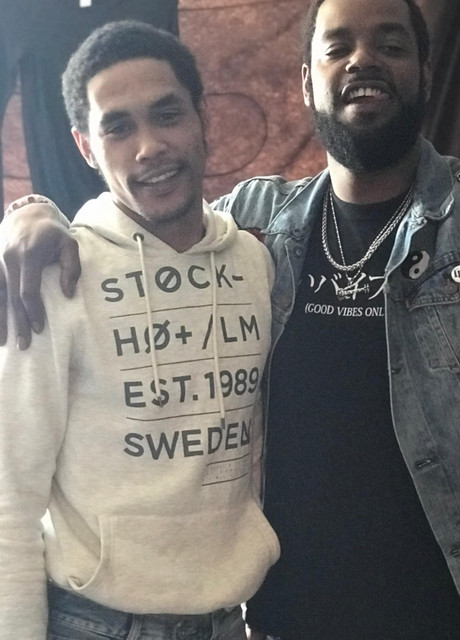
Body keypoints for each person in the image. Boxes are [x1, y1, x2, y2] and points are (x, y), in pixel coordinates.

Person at [2, 0, 460, 638]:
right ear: (307, 81)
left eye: (391, 44)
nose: (363, 59)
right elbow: (150, 222)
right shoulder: (259, 223)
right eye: (338, 47)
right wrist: (31, 211)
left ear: (425, 73)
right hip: (287, 618)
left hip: (458, 617)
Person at [0, 20, 279, 640]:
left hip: (226, 622)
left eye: (167, 114)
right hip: (92, 623)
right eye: (118, 127)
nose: (149, 146)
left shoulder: (255, 265)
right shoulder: (54, 274)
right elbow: (9, 496)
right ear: (85, 147)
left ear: (203, 118)